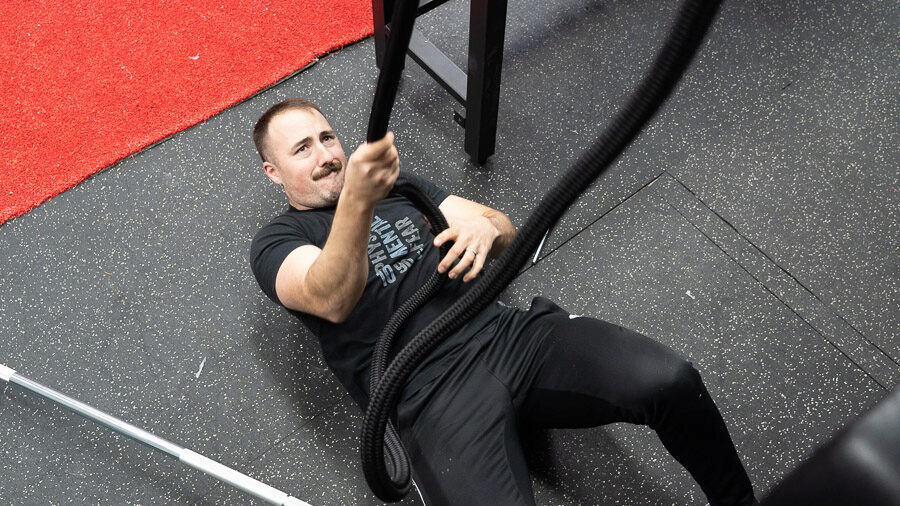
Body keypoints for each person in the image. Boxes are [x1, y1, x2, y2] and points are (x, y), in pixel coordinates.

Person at [249, 98, 756, 506]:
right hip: (426, 394)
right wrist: (358, 200)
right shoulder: (277, 241)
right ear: (274, 172)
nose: (325, 155)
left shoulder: (401, 188)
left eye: (327, 138)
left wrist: (482, 227)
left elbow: (507, 230)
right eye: (302, 149)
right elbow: (330, 297)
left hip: (505, 335)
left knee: (670, 380)